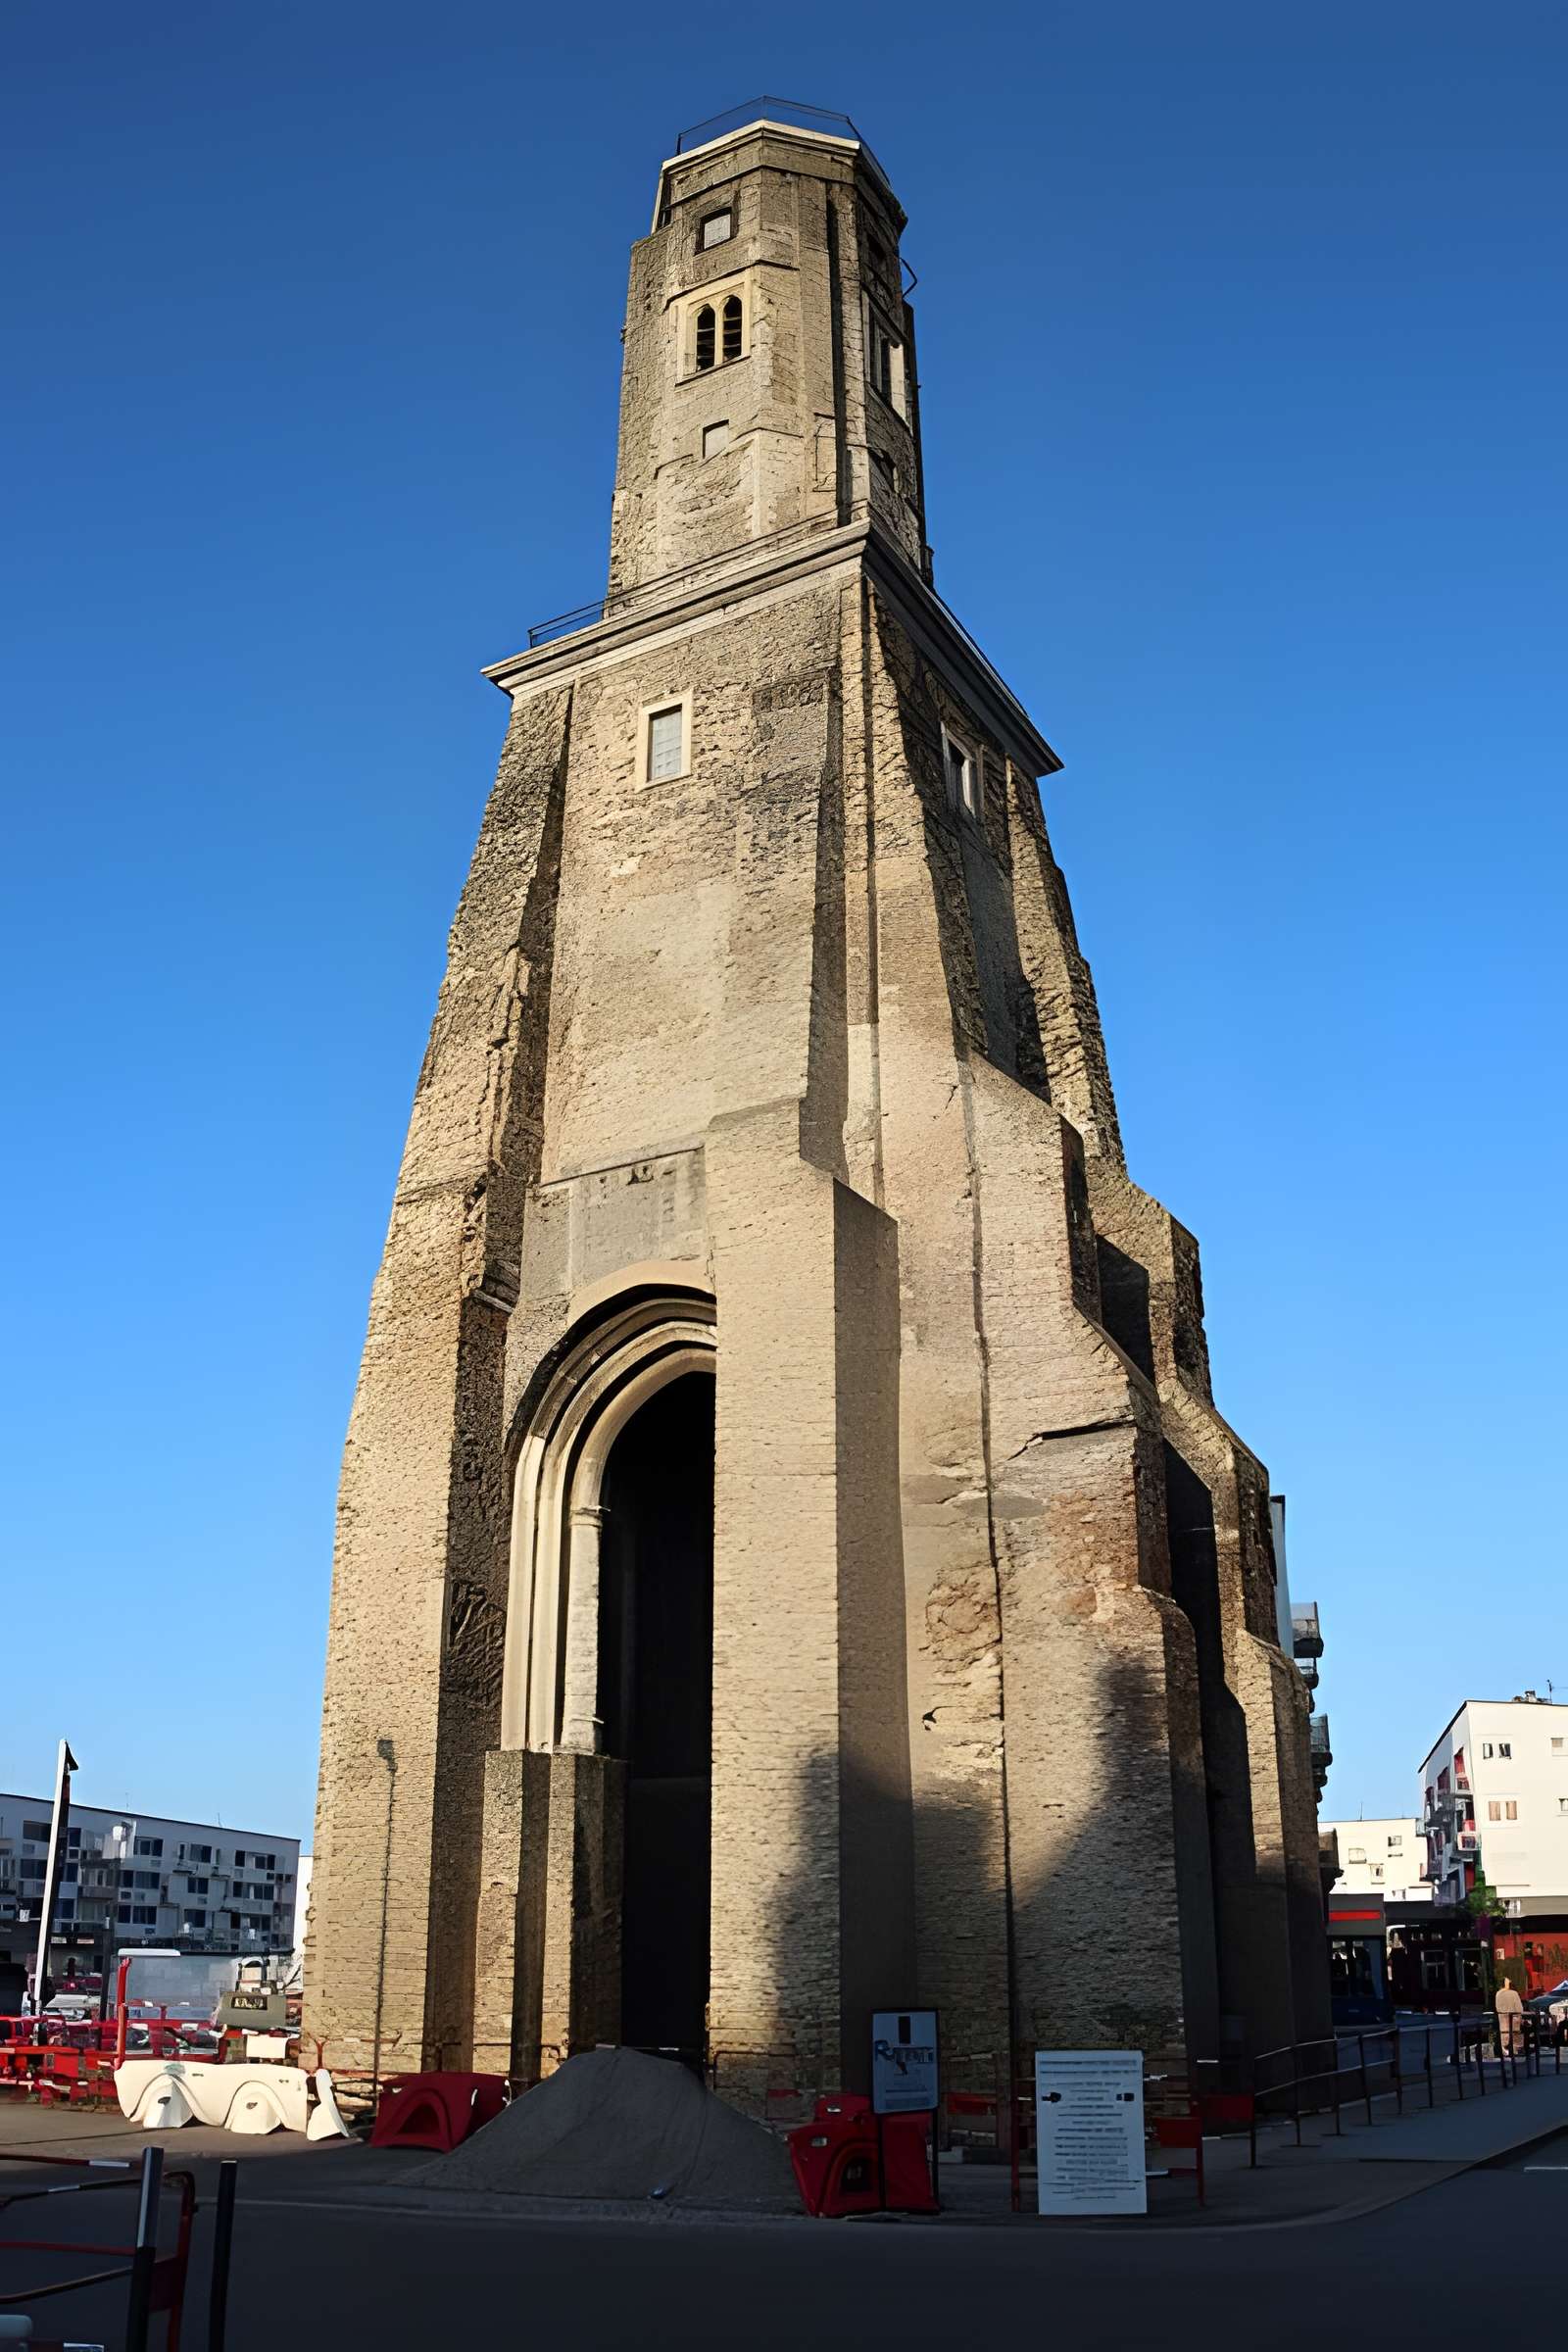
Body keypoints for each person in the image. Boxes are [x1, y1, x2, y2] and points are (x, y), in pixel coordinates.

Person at [1494, 1976, 1525, 2057]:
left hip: (1503, 2024)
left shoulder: (1498, 1994)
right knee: (1516, 2042)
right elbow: (1519, 2009)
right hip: (1514, 2023)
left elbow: (1498, 2008)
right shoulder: (1514, 1993)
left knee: (1505, 2044)